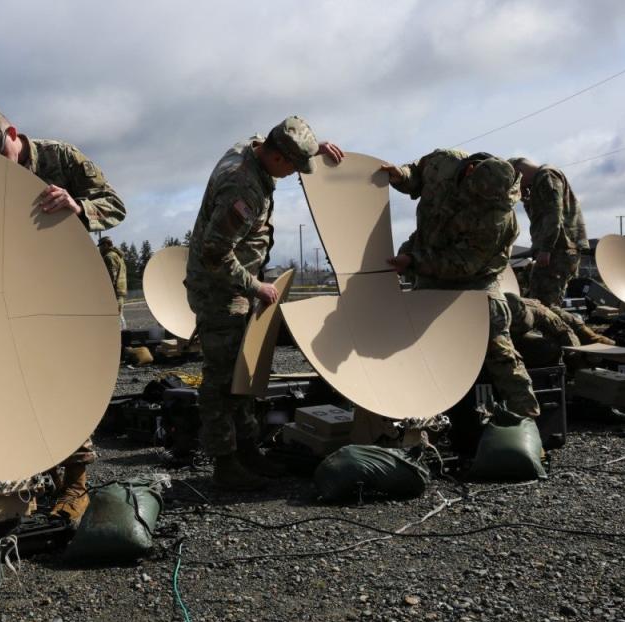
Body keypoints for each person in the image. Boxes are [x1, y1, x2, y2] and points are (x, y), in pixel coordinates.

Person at [0, 101, 126, 523]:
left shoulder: (61, 157)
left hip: (69, 287)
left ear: (13, 135)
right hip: (15, 288)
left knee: (68, 380)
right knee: (22, 378)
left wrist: (79, 207)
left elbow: (115, 205)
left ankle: (75, 484)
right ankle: (35, 471)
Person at [185, 116, 344, 490]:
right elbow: (214, 252)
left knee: (243, 375)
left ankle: (247, 451)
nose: (293, 174)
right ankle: (226, 465)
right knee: (223, 381)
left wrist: (310, 150)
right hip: (220, 291)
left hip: (235, 289)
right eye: (293, 166)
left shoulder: (257, 148)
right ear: (277, 158)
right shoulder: (242, 188)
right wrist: (255, 286)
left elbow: (278, 144)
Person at [382, 151, 540, 419]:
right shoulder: (442, 162)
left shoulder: (497, 215)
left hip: (476, 280)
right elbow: (418, 175)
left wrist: (413, 261)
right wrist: (402, 176)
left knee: (499, 350)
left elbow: (464, 264)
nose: (479, 205)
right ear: (469, 173)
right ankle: (417, 420)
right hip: (429, 272)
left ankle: (527, 419)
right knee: (417, 348)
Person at [509, 157, 589, 306]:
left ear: (519, 172)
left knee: (545, 304)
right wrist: (527, 201)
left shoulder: (546, 175)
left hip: (558, 249)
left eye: (515, 181)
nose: (516, 187)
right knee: (541, 300)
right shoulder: (539, 181)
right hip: (556, 248)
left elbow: (554, 214)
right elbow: (541, 219)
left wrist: (546, 249)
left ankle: (565, 329)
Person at [98, 236, 127, 327]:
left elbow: (111, 277)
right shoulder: (119, 256)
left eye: (101, 246)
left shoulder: (109, 257)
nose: (100, 248)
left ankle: (118, 338)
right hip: (121, 290)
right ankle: (121, 336)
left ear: (106, 245)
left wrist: (106, 292)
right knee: (119, 315)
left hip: (114, 292)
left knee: (114, 318)